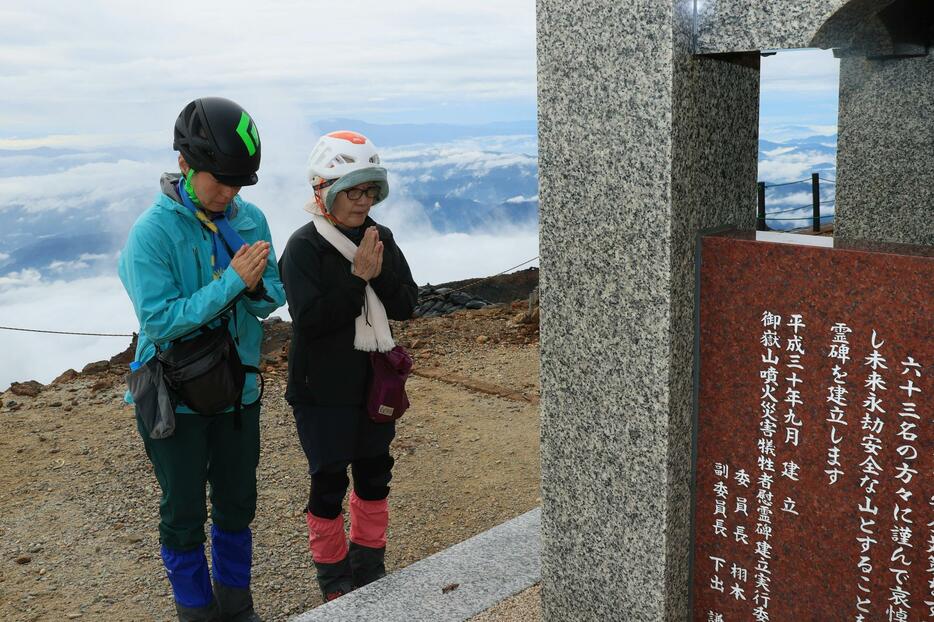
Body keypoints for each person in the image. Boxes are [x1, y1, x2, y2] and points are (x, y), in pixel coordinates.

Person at [118, 96, 285, 622]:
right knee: (183, 511)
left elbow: (271, 294)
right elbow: (161, 322)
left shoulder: (249, 218)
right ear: (185, 163)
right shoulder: (152, 234)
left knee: (237, 502)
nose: (229, 193)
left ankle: (237, 607)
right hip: (174, 398)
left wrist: (254, 288)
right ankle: (196, 610)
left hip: (240, 390)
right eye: (220, 180)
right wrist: (233, 281)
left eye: (239, 182)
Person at [279, 131, 417, 601]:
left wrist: (380, 274)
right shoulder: (304, 247)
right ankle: (334, 579)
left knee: (376, 471)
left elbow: (406, 305)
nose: (362, 202)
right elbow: (311, 322)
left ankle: (368, 563)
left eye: (369, 191)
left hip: (373, 386)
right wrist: (357, 280)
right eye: (352, 192)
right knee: (329, 480)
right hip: (322, 390)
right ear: (325, 191)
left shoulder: (382, 238)